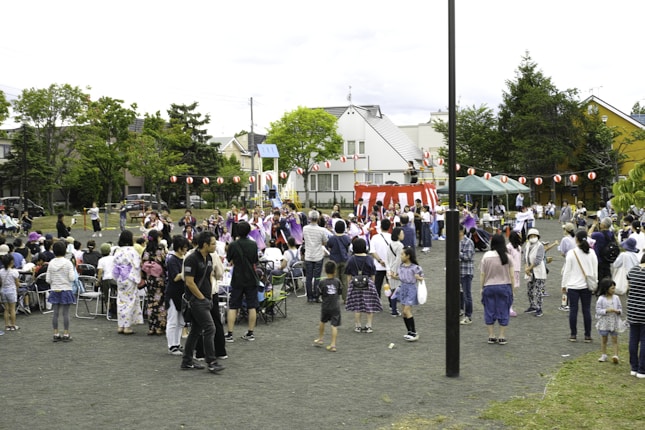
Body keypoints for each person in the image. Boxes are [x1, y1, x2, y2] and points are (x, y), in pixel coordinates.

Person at [180, 231, 224, 373]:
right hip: (197, 301)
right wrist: (202, 298)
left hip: (205, 299)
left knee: (196, 331)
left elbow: (210, 276)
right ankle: (211, 361)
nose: (215, 246)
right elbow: (189, 282)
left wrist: (209, 297)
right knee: (210, 328)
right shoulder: (192, 259)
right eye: (213, 244)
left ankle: (187, 360)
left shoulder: (209, 257)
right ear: (205, 245)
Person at [561, 229, 598, 343]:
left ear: (576, 240)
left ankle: (573, 334)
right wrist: (595, 282)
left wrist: (563, 284)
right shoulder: (591, 252)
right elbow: (595, 269)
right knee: (586, 310)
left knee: (573, 310)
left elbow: (567, 271)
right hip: (586, 285)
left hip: (573, 285)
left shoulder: (572, 253)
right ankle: (587, 335)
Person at [225, 221, 259, 342]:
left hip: (238, 277)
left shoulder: (233, 245)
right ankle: (250, 332)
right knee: (252, 305)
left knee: (233, 306)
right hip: (251, 277)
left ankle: (230, 333)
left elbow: (229, 260)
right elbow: (255, 260)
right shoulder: (253, 244)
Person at [480, 234, 515, 344]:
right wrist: (513, 289)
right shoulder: (507, 256)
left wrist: (482, 287)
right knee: (504, 310)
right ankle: (501, 336)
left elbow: (482, 274)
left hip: (489, 287)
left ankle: (491, 335)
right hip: (504, 286)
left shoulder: (486, 256)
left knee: (489, 310)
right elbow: (512, 275)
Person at [345, 238, 382, 333]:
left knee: (357, 306)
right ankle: (369, 325)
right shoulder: (369, 259)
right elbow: (373, 273)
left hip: (355, 283)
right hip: (368, 282)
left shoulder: (351, 259)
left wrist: (349, 284)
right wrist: (372, 283)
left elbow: (348, 274)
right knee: (369, 305)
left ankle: (358, 326)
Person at [112, 230, 144, 335]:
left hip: (121, 278)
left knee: (121, 301)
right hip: (130, 276)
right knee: (129, 301)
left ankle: (120, 325)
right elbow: (137, 264)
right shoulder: (132, 251)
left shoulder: (118, 250)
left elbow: (114, 264)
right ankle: (127, 326)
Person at [46, 241, 76, 341]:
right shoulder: (68, 263)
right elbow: (72, 278)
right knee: (65, 314)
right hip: (66, 289)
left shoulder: (51, 263)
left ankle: (56, 333)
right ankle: (66, 334)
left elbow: (48, 279)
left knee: (55, 313)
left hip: (55, 289)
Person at [164, 235, 188, 356]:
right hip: (173, 293)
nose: (185, 250)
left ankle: (177, 343)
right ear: (178, 248)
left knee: (181, 321)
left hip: (182, 294)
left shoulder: (185, 258)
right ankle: (171, 345)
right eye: (183, 248)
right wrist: (185, 273)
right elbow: (174, 277)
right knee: (172, 320)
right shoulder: (172, 260)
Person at [395, 246, 424, 341]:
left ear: (408, 256)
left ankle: (414, 332)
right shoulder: (401, 266)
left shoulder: (415, 268)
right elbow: (399, 277)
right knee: (404, 313)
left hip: (411, 288)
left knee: (407, 311)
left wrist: (418, 278)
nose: (401, 256)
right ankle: (409, 332)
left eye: (402, 254)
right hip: (403, 288)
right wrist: (393, 276)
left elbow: (422, 278)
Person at [142, 229, 167, 336]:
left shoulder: (146, 250)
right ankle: (159, 327)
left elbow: (142, 263)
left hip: (150, 279)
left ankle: (151, 327)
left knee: (151, 303)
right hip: (159, 279)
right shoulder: (160, 249)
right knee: (160, 302)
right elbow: (164, 262)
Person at [313, 261, 341, 352]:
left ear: (325, 271)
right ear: (335, 271)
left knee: (322, 321)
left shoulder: (322, 282)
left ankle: (320, 339)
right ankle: (333, 344)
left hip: (325, 305)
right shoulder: (337, 281)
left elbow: (319, 293)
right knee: (334, 325)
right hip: (335, 306)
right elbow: (340, 291)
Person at [302, 210, 328, 303]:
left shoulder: (305, 228)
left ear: (309, 218)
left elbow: (304, 238)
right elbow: (325, 241)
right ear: (318, 218)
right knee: (317, 277)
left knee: (309, 277)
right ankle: (316, 295)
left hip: (308, 255)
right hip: (318, 255)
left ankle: (309, 297)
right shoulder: (321, 230)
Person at [595, 278, 622, 363]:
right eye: (612, 288)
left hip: (614, 321)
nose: (614, 290)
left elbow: (620, 308)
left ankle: (616, 355)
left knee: (614, 338)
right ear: (606, 289)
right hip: (604, 321)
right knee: (604, 339)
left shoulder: (616, 298)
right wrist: (606, 310)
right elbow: (598, 310)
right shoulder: (601, 299)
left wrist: (618, 311)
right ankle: (603, 354)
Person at [626, 254, 645, 378]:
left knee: (633, 338)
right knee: (644, 340)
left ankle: (633, 367)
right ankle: (642, 369)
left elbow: (628, 288)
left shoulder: (632, 270)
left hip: (632, 309)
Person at [524, 228, 547, 317]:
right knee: (529, 290)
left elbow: (538, 260)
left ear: (537, 237)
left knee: (538, 291)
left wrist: (529, 268)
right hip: (530, 271)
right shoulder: (527, 245)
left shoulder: (540, 246)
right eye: (531, 236)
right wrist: (526, 268)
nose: (533, 237)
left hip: (538, 270)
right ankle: (532, 305)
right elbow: (524, 258)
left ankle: (539, 308)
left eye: (534, 236)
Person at [325, 221, 350, 302]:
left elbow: (329, 246)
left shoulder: (332, 238)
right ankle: (345, 298)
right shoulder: (346, 238)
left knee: (334, 280)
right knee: (345, 280)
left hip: (334, 261)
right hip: (345, 259)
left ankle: (335, 297)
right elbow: (348, 245)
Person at [368, 219, 392, 298]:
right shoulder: (392, 237)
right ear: (389, 227)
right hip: (389, 266)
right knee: (390, 286)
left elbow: (372, 251)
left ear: (380, 227)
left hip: (378, 266)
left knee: (377, 286)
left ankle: (377, 303)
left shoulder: (375, 237)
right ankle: (392, 305)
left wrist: (380, 260)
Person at [590, 217, 616, 281]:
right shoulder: (611, 233)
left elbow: (588, 234)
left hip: (599, 259)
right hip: (608, 258)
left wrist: (593, 226)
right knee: (607, 276)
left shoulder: (598, 235)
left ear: (603, 225)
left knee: (600, 277)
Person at [386, 227, 404, 317]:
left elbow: (388, 258)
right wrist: (395, 272)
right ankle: (394, 310)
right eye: (402, 233)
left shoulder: (390, 244)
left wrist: (389, 270)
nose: (403, 235)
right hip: (395, 270)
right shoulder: (400, 246)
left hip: (389, 269)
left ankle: (393, 309)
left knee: (393, 290)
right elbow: (399, 260)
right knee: (396, 291)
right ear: (398, 235)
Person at [459, 225, 475, 324]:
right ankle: (460, 310)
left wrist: (457, 252)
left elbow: (467, 256)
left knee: (467, 295)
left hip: (466, 272)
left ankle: (468, 316)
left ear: (461, 231)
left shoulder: (468, 242)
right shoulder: (456, 242)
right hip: (458, 271)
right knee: (459, 293)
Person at [1, 254, 20, 332]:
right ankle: (13, 325)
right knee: (12, 309)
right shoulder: (14, 272)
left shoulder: (1, 271)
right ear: (11, 262)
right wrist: (17, 288)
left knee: (6, 309)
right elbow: (17, 283)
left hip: (3, 290)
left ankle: (7, 325)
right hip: (11, 290)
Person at [97, 242, 117, 319]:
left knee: (106, 296)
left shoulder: (101, 260)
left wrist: (98, 281)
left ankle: (109, 311)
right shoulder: (114, 258)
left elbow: (100, 271)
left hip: (106, 279)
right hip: (115, 278)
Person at [506, 231, 522, 317]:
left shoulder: (519, 247)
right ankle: (509, 308)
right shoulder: (508, 247)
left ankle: (509, 306)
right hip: (510, 270)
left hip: (517, 270)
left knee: (513, 290)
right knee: (510, 290)